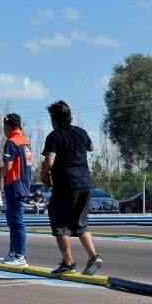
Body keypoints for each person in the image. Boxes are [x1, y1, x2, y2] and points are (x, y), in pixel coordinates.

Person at [41, 100, 101, 276]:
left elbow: (49, 160)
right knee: (81, 224)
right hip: (86, 185)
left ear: (54, 118)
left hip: (66, 185)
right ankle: (93, 256)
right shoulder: (81, 132)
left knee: (60, 225)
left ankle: (69, 264)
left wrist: (44, 175)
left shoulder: (54, 136)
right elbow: (91, 147)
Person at [0, 113, 34, 266]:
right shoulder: (25, 141)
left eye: (5, 126)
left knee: (16, 222)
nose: (4, 129)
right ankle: (13, 253)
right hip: (23, 185)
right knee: (13, 221)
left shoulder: (11, 142)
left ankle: (20, 255)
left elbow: (8, 166)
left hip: (14, 186)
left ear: (9, 126)